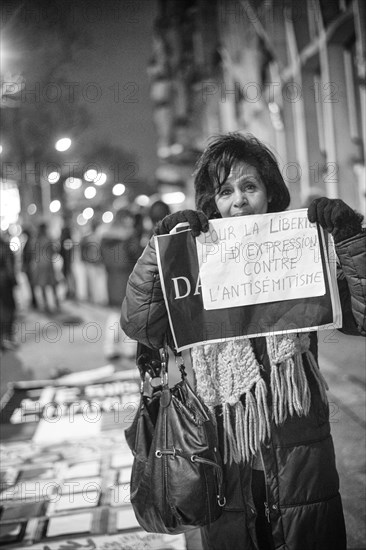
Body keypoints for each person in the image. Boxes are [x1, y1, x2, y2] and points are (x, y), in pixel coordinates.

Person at [121, 133, 365, 550]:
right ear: (211, 202)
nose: (239, 201)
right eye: (226, 191)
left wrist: (349, 238)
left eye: (250, 186)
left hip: (297, 449)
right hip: (219, 451)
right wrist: (157, 251)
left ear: (270, 194)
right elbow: (139, 323)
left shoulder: (302, 253)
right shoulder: (192, 257)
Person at [100, 208, 142, 360]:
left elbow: (101, 258)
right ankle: (129, 348)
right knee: (129, 314)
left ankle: (109, 348)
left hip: (112, 278)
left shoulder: (105, 237)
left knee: (113, 314)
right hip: (127, 277)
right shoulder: (129, 236)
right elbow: (137, 256)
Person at [33, 222, 60, 313]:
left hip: (40, 264)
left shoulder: (36, 239)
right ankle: (56, 303)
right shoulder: (48, 239)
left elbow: (34, 253)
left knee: (43, 285)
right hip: (47, 265)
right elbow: (53, 251)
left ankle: (45, 304)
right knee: (52, 285)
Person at [0, 233, 18, 351]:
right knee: (9, 308)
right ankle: (7, 337)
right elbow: (9, 266)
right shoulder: (5, 247)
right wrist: (13, 280)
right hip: (4, 282)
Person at [21, 227, 39, 309]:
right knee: (31, 284)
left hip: (30, 267)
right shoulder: (29, 242)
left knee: (32, 284)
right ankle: (34, 300)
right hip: (29, 267)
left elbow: (30, 257)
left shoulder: (30, 243)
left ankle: (35, 301)